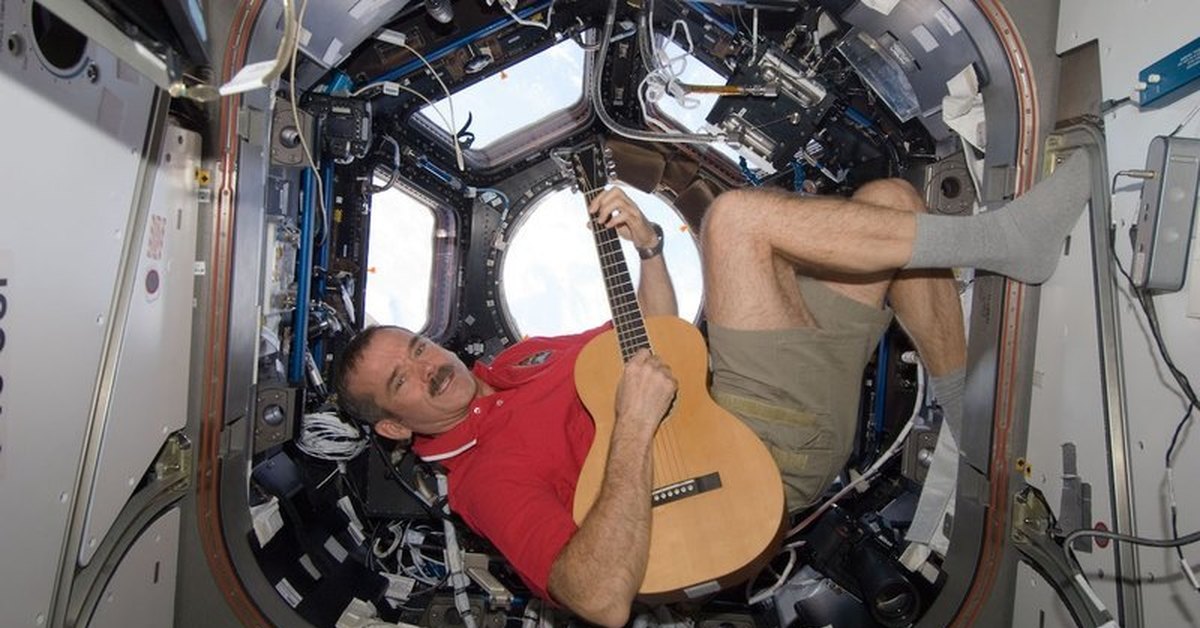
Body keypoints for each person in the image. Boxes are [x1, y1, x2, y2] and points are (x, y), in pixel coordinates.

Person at [332, 152, 1091, 626]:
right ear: (394, 427)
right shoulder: (480, 481)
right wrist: (633, 426)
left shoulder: (522, 359)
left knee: (891, 201)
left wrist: (649, 248)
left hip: (752, 412)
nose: (429, 365)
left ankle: (969, 427)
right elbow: (596, 598)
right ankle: (1005, 243)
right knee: (730, 221)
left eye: (419, 345)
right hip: (738, 468)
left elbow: (653, 340)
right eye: (403, 379)